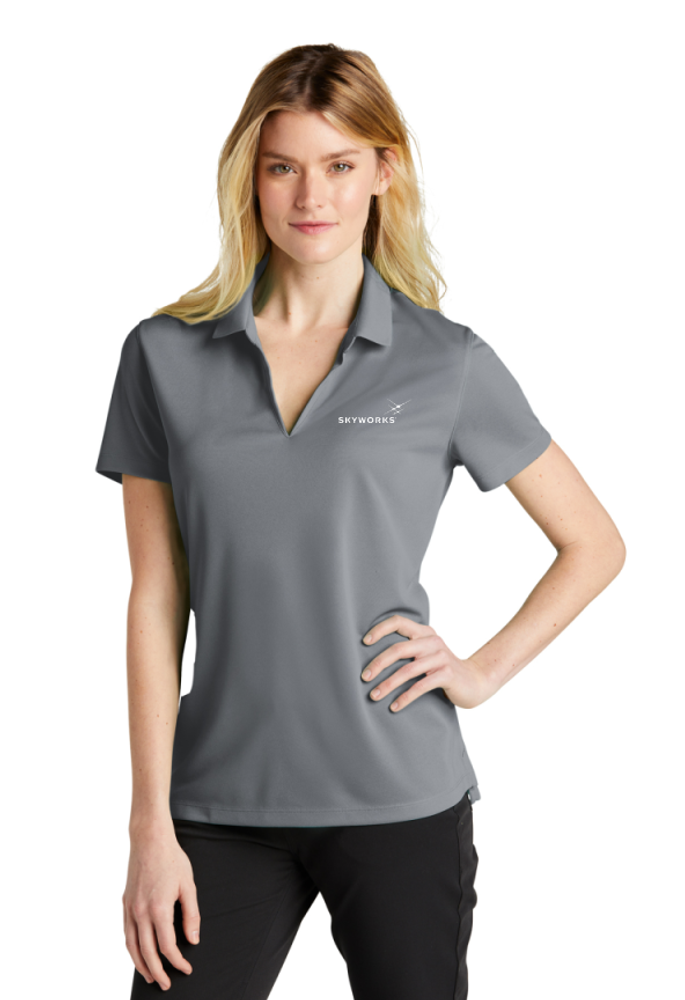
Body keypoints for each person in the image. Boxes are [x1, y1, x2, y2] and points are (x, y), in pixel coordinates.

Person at [95, 43, 626, 1000]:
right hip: (216, 802)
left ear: (384, 171)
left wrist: (478, 672)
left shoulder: (445, 362)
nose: (312, 196)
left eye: (339, 165)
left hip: (398, 796)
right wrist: (148, 825)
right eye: (283, 166)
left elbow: (593, 543)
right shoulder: (162, 356)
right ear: (249, 177)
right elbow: (155, 597)